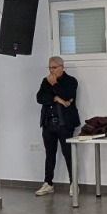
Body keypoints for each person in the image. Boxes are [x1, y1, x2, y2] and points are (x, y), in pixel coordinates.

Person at [36, 57, 78, 196]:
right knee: (49, 154)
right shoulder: (45, 80)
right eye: (49, 68)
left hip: (64, 124)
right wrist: (56, 98)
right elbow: (40, 98)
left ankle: (74, 183)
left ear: (62, 67)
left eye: (54, 67)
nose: (51, 70)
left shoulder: (71, 81)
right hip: (48, 123)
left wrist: (54, 86)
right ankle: (48, 183)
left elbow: (68, 95)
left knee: (68, 154)